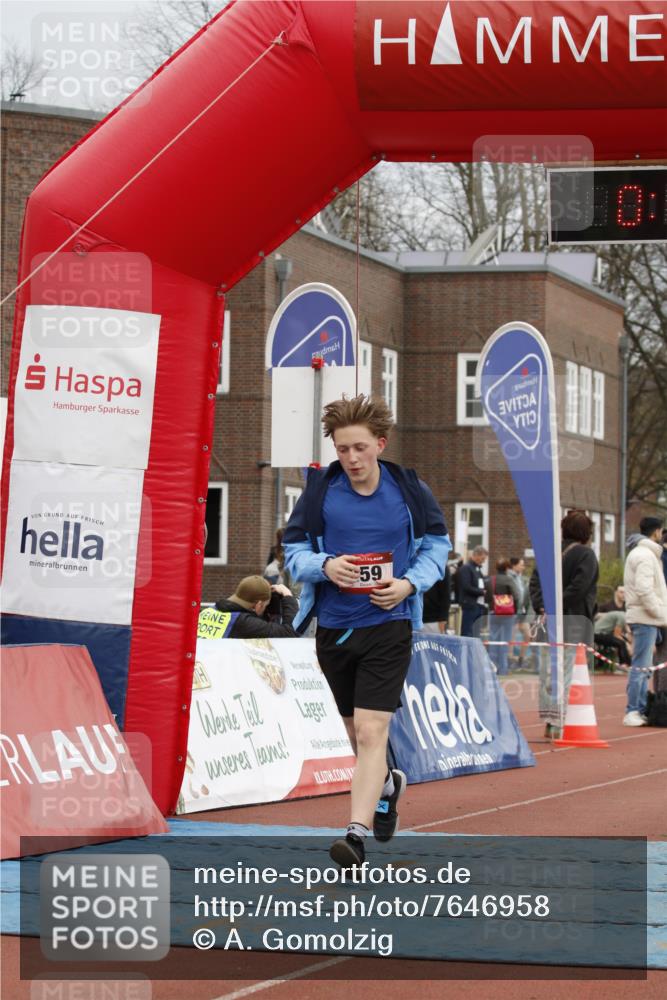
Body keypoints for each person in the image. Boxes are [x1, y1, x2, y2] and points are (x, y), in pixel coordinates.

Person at [283, 394, 450, 868]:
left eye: (359, 448)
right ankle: (389, 784)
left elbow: (438, 546)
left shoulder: (409, 490)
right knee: (356, 733)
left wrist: (408, 584)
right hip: (335, 627)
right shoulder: (318, 493)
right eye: (342, 450)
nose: (352, 459)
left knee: (375, 731)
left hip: (389, 624)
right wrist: (325, 565)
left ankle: (354, 835)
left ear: (380, 443)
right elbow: (293, 550)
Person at [529, 511, 599, 738]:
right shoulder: (586, 555)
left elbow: (535, 582)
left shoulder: (549, 551)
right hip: (572, 620)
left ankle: (549, 719)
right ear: (586, 532)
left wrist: (543, 606)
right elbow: (580, 587)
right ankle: (556, 722)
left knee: (547, 674)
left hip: (546, 619)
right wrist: (557, 605)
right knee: (564, 672)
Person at [622, 516, 667, 726]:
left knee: (644, 666)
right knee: (641, 666)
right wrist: (659, 612)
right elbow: (644, 589)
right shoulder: (645, 556)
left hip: (646, 617)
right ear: (657, 531)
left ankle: (638, 708)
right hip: (645, 617)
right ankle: (634, 710)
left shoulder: (645, 554)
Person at [212, 575, 300, 639]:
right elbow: (290, 633)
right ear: (259, 605)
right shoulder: (243, 622)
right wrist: (287, 595)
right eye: (266, 605)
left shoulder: (210, 610)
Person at [486, 558, 522, 675]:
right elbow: (517, 596)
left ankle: (492, 667)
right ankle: (503, 668)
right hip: (507, 615)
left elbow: (487, 598)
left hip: (493, 612)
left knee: (493, 641)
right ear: (507, 568)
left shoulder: (491, 580)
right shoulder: (509, 579)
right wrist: (515, 611)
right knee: (505, 641)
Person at [457, 546, 489, 637]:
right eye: (482, 558)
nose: (483, 561)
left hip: (479, 605)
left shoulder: (477, 569)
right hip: (470, 605)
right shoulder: (466, 568)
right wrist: (481, 592)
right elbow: (466, 586)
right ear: (475, 555)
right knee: (468, 632)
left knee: (476, 633)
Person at [508, 556, 532, 668]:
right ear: (514, 565)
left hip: (521, 611)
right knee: (511, 636)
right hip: (512, 611)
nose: (523, 567)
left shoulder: (521, 578)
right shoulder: (509, 577)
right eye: (521, 564)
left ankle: (521, 659)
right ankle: (510, 658)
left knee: (528, 635)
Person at [421, 564, 451, 634]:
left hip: (433, 620)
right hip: (412, 619)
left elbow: (445, 595)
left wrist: (443, 619)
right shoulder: (412, 561)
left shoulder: (441, 566)